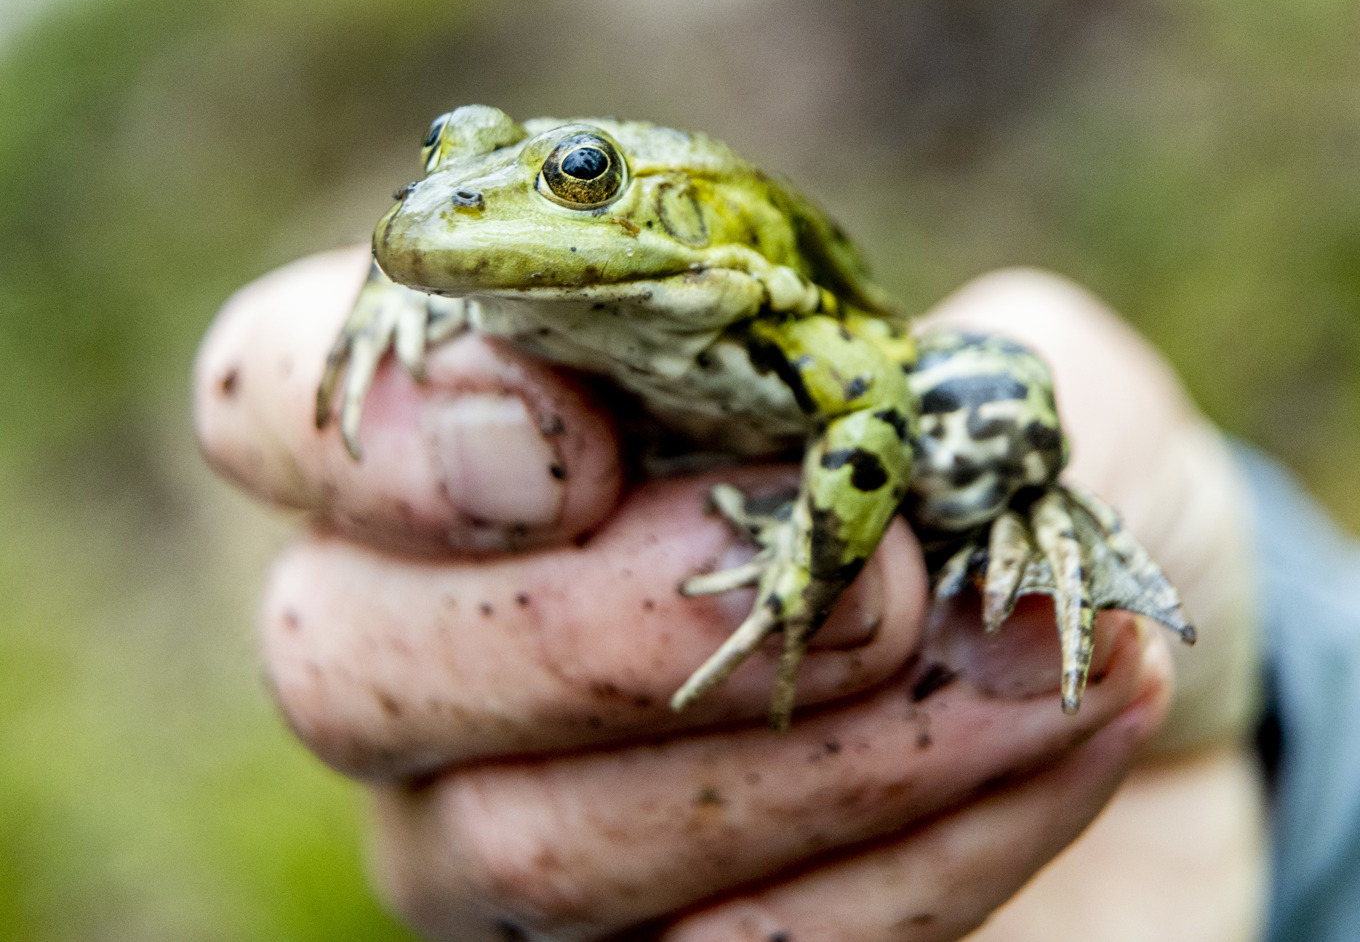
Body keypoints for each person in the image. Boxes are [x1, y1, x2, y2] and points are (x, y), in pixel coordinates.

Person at [196, 247, 1270, 941]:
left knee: (990, 390)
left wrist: (807, 569)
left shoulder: (728, 291)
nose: (473, 203)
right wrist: (388, 309)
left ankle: (1048, 521)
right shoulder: (495, 281)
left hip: (868, 461)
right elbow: (426, 235)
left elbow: (870, 397)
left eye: (575, 177)